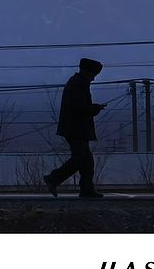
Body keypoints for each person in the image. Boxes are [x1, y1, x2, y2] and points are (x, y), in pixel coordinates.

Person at [44, 57, 107, 199]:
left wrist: (93, 108)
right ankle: (54, 178)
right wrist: (95, 108)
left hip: (75, 129)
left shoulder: (77, 83)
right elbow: (80, 108)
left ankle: (87, 189)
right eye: (93, 75)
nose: (93, 79)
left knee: (87, 161)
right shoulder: (78, 85)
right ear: (87, 72)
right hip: (75, 129)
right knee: (80, 159)